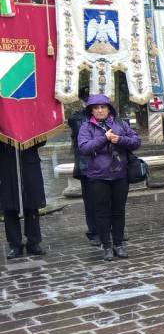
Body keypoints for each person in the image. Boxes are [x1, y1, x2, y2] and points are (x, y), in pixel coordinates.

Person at [77, 94, 141, 260]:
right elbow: (84, 148)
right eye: (96, 108)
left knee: (118, 211)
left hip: (120, 174)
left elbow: (136, 141)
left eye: (103, 107)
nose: (100, 110)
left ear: (108, 108)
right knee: (102, 212)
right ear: (91, 110)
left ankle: (118, 244)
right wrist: (103, 139)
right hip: (98, 176)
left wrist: (119, 139)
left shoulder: (120, 124)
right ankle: (106, 246)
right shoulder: (86, 127)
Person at [1, 141, 46, 259]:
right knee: (9, 207)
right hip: (7, 164)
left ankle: (33, 242)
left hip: (29, 164)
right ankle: (15, 244)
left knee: (32, 205)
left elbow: (42, 140)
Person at [68, 90, 99, 245]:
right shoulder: (77, 118)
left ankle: (111, 229)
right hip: (87, 166)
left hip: (106, 165)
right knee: (91, 202)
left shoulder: (107, 117)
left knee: (108, 200)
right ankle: (94, 232)